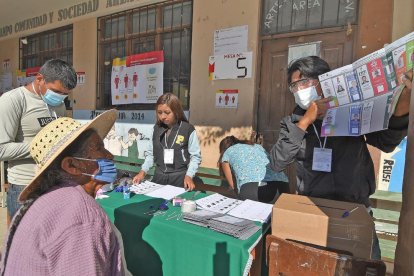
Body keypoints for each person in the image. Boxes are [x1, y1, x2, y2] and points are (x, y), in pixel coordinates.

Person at [270, 56, 411, 260]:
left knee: (362, 269)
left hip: (353, 211)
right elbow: (277, 162)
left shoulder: (351, 112)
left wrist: (405, 99)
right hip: (312, 211)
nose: (299, 89)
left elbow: (386, 142)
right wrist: (306, 121)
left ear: (325, 81)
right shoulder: (292, 124)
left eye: (305, 82)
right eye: (294, 86)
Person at [0, 110, 126, 275]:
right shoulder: (82, 214)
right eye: (99, 148)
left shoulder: (48, 200)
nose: (110, 156)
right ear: (72, 166)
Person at [0, 59, 77, 222]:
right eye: (56, 91)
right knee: (24, 243)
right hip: (26, 185)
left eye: (65, 94)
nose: (60, 97)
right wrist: (43, 145)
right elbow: (2, 149)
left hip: (54, 182)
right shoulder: (13, 100)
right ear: (39, 78)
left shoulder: (59, 105)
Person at [133, 93, 201, 190]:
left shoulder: (187, 129)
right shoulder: (156, 129)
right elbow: (150, 154)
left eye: (167, 112)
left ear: (176, 111)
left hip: (179, 178)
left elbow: (195, 157)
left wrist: (189, 175)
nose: (163, 116)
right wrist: (142, 172)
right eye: (159, 112)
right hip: (159, 177)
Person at [218, 136, 289, 203]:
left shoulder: (227, 153)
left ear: (223, 149)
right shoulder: (257, 146)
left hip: (254, 189)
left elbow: (233, 186)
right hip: (283, 187)